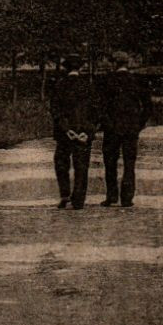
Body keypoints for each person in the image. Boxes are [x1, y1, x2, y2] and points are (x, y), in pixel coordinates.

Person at [98, 52, 154, 208]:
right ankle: (127, 198)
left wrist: (106, 123)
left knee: (110, 162)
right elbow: (148, 107)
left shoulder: (107, 80)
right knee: (129, 163)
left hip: (112, 128)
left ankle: (111, 196)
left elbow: (100, 107)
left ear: (114, 63)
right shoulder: (137, 80)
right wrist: (139, 124)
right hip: (131, 129)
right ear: (127, 63)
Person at [49, 54, 97, 209]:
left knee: (61, 163)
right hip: (83, 133)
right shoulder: (89, 86)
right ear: (81, 68)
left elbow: (55, 110)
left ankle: (65, 194)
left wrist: (66, 130)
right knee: (82, 166)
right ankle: (79, 200)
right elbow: (96, 113)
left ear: (65, 67)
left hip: (65, 134)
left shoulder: (59, 85)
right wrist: (88, 132)